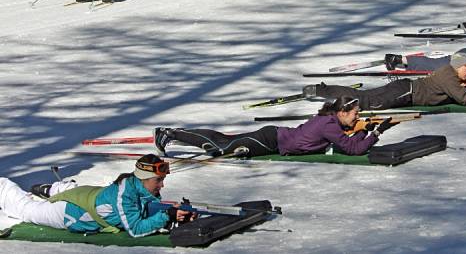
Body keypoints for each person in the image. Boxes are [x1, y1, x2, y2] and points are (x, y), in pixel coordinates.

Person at [0, 154, 190, 236]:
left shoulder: (138, 187)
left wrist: (176, 214)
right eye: (158, 180)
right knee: (25, 210)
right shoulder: (125, 197)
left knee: (76, 191)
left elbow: (148, 208)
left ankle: (54, 189)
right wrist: (167, 216)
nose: (162, 185)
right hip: (70, 211)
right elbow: (136, 229)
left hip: (89, 194)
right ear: (143, 179)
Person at [154, 96, 393, 156]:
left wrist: (365, 130)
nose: (355, 118)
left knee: (224, 139)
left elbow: (349, 139)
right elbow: (353, 148)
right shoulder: (330, 124)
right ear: (342, 112)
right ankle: (170, 134)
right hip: (270, 141)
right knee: (220, 146)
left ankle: (174, 133)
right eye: (354, 114)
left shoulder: (329, 121)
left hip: (272, 136)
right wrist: (376, 133)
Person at [305, 53, 466, 111]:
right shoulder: (449, 76)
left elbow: (457, 92)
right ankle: (324, 93)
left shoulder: (449, 73)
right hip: (406, 92)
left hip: (405, 88)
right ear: (458, 67)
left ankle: (322, 90)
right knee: (366, 102)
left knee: (364, 96)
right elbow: (465, 99)